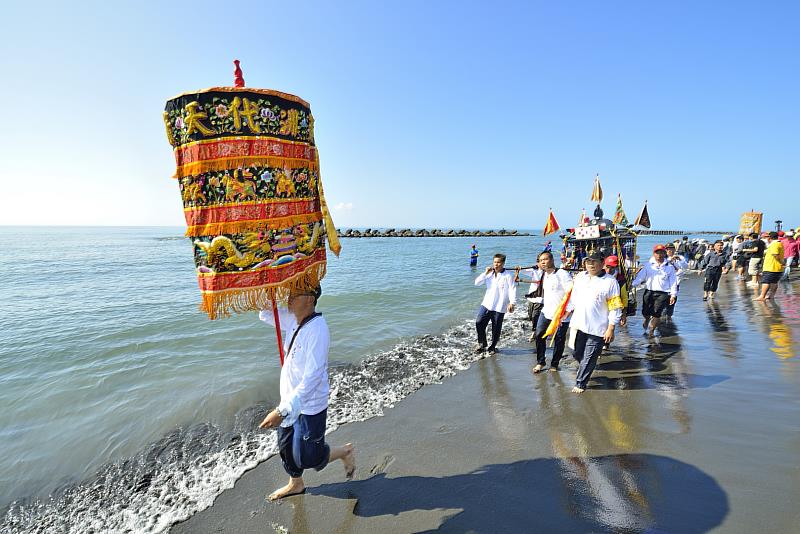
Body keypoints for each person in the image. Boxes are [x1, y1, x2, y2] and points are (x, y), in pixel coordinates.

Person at [258, 286, 356, 501]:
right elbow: (265, 314)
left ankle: (344, 452)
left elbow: (312, 378)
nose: (289, 298)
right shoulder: (294, 319)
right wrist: (267, 288)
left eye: (295, 295)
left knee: (309, 456)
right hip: (289, 399)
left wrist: (281, 411)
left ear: (310, 299)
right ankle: (296, 484)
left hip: (310, 404)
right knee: (285, 448)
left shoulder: (318, 330)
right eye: (290, 294)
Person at [569, 252, 623, 393]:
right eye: (588, 261)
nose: (591, 264)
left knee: (589, 355)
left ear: (602, 262)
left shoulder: (611, 281)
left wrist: (611, 327)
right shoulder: (580, 277)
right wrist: (567, 311)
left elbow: (615, 306)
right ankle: (587, 367)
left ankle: (581, 383)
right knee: (576, 353)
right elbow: (573, 297)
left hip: (598, 328)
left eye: (594, 261)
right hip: (579, 324)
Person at [516, 251, 573, 373]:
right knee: (539, 335)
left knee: (559, 339)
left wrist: (567, 313)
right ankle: (541, 362)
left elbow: (571, 293)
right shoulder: (543, 275)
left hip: (561, 315)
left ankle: (554, 364)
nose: (543, 262)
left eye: (545, 259)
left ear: (552, 260)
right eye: (541, 260)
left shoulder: (562, 274)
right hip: (546, 312)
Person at [474, 253, 516, 355]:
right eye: (494, 262)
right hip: (487, 303)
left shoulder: (508, 275)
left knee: (496, 327)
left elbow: (512, 289)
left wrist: (512, 303)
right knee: (479, 322)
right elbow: (477, 283)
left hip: (500, 305)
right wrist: (485, 273)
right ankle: (482, 343)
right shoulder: (489, 274)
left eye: (498, 262)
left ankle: (492, 346)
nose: (496, 264)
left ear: (503, 263)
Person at [632, 244, 678, 337]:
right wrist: (632, 285)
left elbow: (673, 281)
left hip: (663, 293)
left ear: (665, 253)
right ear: (654, 254)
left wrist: (673, 294)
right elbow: (640, 278)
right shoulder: (648, 265)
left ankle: (651, 331)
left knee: (657, 313)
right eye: (657, 253)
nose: (659, 255)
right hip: (649, 292)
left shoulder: (669, 267)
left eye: (661, 253)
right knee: (645, 312)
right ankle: (647, 319)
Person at [602, 255, 628, 349]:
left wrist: (624, 314)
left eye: (612, 268)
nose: (609, 270)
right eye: (607, 267)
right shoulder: (598, 276)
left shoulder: (621, 280)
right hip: (600, 305)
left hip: (613, 306)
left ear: (616, 267)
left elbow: (624, 298)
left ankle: (606, 343)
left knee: (609, 325)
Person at [754, 232, 785, 301]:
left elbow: (775, 254)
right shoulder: (779, 243)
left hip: (771, 267)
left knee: (766, 281)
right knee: (774, 282)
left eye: (766, 237)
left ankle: (762, 296)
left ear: (769, 238)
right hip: (777, 267)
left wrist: (781, 262)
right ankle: (771, 296)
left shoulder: (774, 244)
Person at [663, 243, 688, 320]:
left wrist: (679, 260)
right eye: (668, 249)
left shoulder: (680, 257)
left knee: (673, 299)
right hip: (665, 284)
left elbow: (685, 266)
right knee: (663, 299)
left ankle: (669, 315)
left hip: (676, 282)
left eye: (672, 249)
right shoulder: (663, 258)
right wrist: (670, 260)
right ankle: (662, 316)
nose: (670, 251)